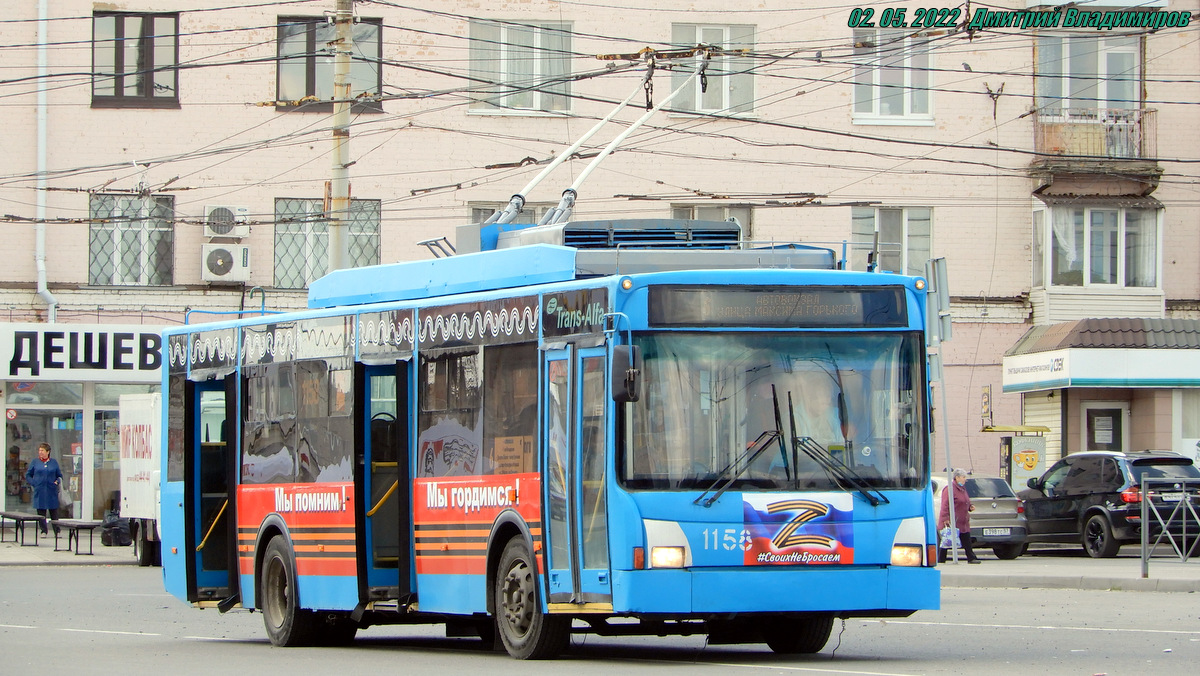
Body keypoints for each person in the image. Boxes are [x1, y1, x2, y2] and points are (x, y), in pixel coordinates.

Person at [938, 468, 979, 564]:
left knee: (966, 539)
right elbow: (945, 505)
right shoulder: (949, 489)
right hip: (953, 521)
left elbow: (965, 501)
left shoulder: (962, 489)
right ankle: (941, 558)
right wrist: (945, 519)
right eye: (963, 477)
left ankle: (971, 557)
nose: (965, 479)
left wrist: (970, 506)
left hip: (963, 521)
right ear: (957, 478)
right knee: (947, 539)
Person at [24, 442, 64, 534]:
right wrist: (34, 483)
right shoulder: (35, 462)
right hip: (40, 490)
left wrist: (57, 481)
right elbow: (28, 475)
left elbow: (59, 475)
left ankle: (57, 530)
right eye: (39, 450)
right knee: (41, 512)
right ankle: (43, 530)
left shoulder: (53, 462)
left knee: (53, 511)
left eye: (42, 450)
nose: (40, 452)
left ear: (48, 452)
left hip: (51, 490)